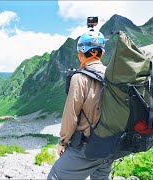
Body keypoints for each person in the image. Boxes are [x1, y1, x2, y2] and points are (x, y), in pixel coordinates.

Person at [47, 31, 113, 180]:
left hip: (87, 147)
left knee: (56, 177)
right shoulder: (113, 76)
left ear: (80, 53)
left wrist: (63, 142)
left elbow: (71, 115)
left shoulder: (79, 78)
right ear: (102, 53)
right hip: (110, 145)